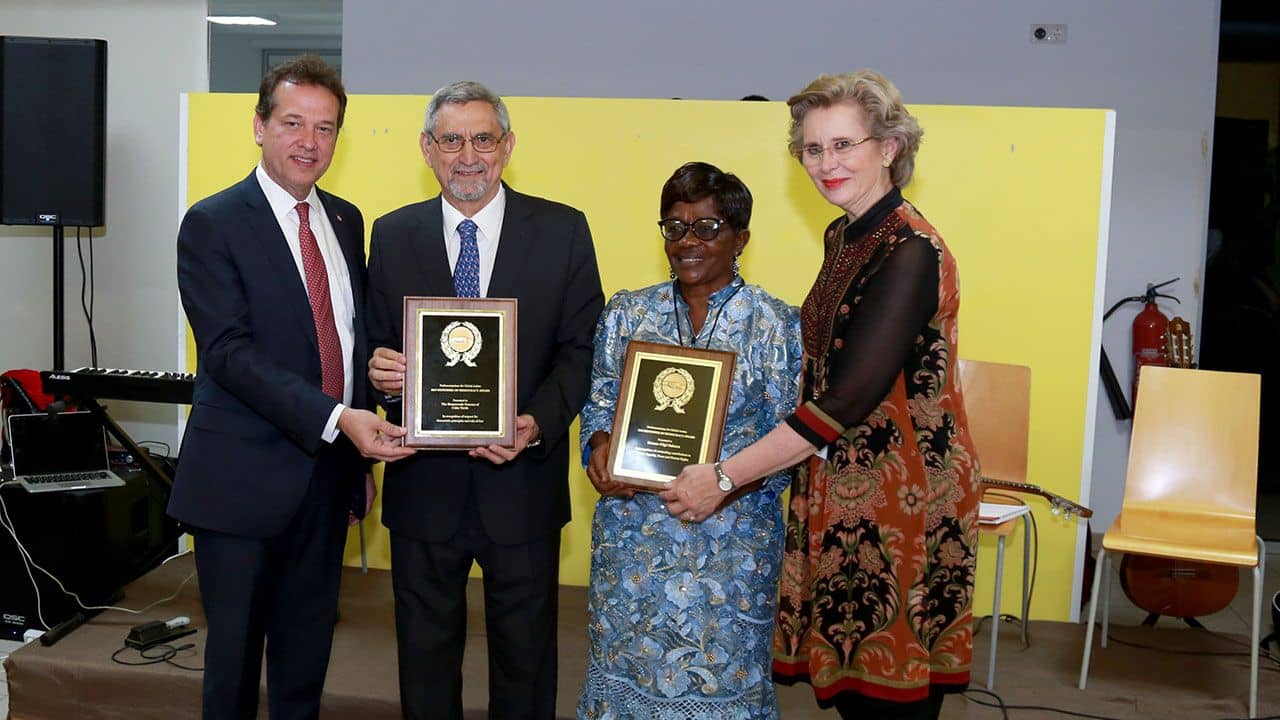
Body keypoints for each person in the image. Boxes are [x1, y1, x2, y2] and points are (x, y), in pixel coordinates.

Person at [668, 70, 981, 720]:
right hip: (842, 491)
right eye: (812, 149)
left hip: (904, 505)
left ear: (889, 147)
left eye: (843, 145)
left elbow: (846, 400)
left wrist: (723, 476)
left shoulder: (910, 249)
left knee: (889, 697)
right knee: (854, 694)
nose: (825, 163)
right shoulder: (846, 235)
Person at [171, 55, 413, 719]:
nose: (309, 141)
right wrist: (339, 417)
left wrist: (365, 420)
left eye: (326, 127)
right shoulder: (213, 222)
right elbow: (227, 353)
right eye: (293, 123)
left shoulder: (345, 220)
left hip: (327, 481)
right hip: (241, 485)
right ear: (259, 126)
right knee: (234, 670)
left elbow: (347, 341)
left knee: (306, 662)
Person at [365, 80, 604, 720]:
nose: (467, 156)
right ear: (426, 148)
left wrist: (536, 424)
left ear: (507, 145)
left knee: (526, 664)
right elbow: (373, 347)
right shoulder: (391, 235)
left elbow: (584, 351)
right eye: (450, 140)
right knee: (423, 660)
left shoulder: (563, 230)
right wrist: (379, 370)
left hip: (521, 481)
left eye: (482, 139)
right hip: (424, 487)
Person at [576, 161, 802, 719]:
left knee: (721, 681)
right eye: (674, 227)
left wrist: (727, 484)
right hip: (634, 538)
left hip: (732, 540)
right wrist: (601, 448)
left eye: (707, 227)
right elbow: (600, 400)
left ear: (740, 237)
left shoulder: (775, 325)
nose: (688, 241)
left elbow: (792, 435)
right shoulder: (629, 311)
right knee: (627, 668)